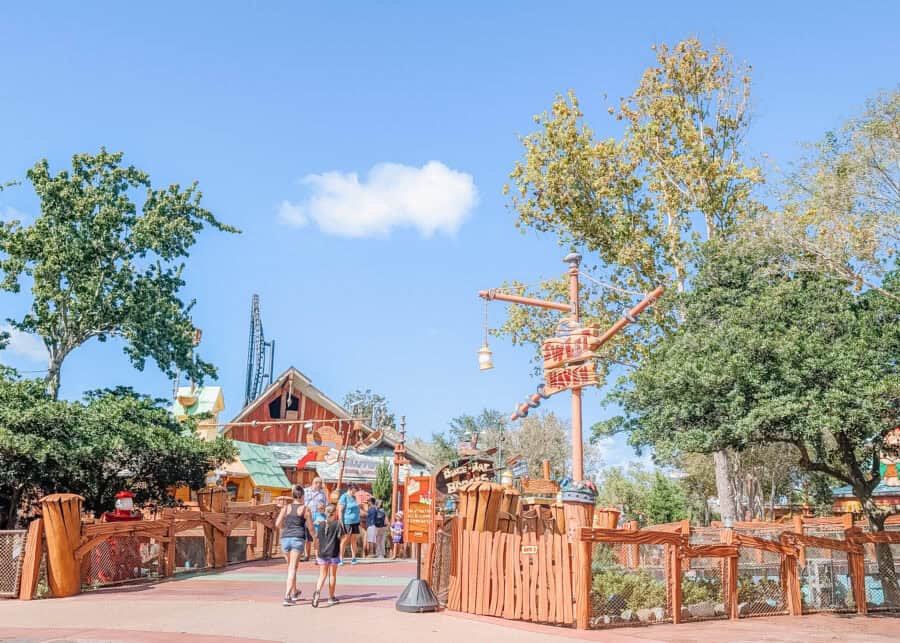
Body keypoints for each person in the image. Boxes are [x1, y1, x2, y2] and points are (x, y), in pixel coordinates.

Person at [275, 485, 313, 606]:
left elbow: (277, 523)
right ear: (302, 496)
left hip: (285, 538)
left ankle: (294, 591)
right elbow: (311, 527)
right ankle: (287, 597)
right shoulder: (305, 509)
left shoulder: (286, 508)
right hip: (297, 538)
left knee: (291, 567)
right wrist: (316, 539)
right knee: (292, 568)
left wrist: (285, 529)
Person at [312, 503, 341, 607]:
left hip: (322, 553)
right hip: (333, 553)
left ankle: (317, 592)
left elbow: (318, 540)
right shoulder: (337, 524)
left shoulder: (320, 525)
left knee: (322, 575)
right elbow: (341, 537)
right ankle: (331, 597)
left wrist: (316, 553)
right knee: (332, 575)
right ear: (335, 513)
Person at [303, 477, 326, 561]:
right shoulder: (305, 491)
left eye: (320, 483)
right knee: (307, 538)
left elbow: (325, 504)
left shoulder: (322, 493)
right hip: (307, 516)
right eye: (318, 483)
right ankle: (306, 555)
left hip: (318, 518)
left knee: (317, 538)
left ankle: (317, 556)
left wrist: (323, 509)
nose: (319, 484)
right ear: (313, 483)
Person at [337, 484, 361, 564]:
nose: (356, 491)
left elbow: (357, 508)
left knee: (354, 540)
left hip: (356, 521)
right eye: (355, 490)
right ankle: (341, 558)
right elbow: (340, 510)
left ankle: (354, 558)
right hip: (347, 521)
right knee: (345, 540)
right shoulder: (344, 497)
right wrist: (341, 521)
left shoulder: (354, 497)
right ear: (351, 489)